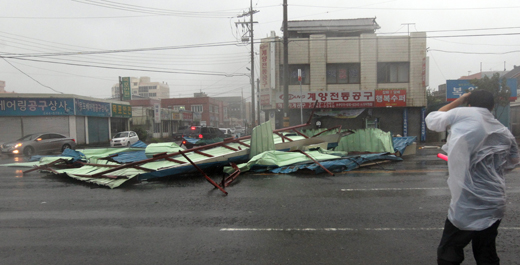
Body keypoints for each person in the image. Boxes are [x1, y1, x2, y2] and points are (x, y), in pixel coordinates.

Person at [425, 90, 519, 265]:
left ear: (469, 104)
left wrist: (459, 100)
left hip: (467, 201)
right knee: (486, 253)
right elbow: (512, 161)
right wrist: (490, 171)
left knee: (449, 252)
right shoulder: (503, 131)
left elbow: (432, 119)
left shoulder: (463, 113)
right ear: (492, 106)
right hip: (494, 201)